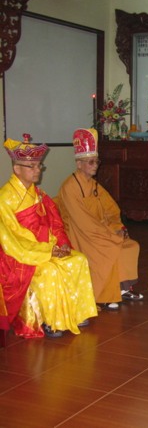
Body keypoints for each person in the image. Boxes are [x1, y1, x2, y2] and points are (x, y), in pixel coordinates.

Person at [0, 134, 97, 338]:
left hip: (47, 248)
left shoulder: (38, 194)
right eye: (32, 166)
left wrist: (61, 243)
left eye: (39, 166)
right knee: (50, 271)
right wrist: (48, 251)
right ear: (16, 169)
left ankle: (77, 313)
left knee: (78, 260)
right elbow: (13, 240)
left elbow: (54, 224)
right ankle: (52, 321)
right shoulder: (5, 198)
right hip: (20, 257)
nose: (38, 170)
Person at [56, 128, 142, 312]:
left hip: (99, 231)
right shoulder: (69, 187)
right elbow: (83, 221)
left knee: (130, 246)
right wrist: (110, 235)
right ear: (79, 164)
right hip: (80, 235)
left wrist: (117, 226)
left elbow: (111, 209)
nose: (95, 165)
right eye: (91, 162)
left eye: (97, 161)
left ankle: (123, 288)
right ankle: (103, 295)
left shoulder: (93, 184)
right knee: (110, 248)